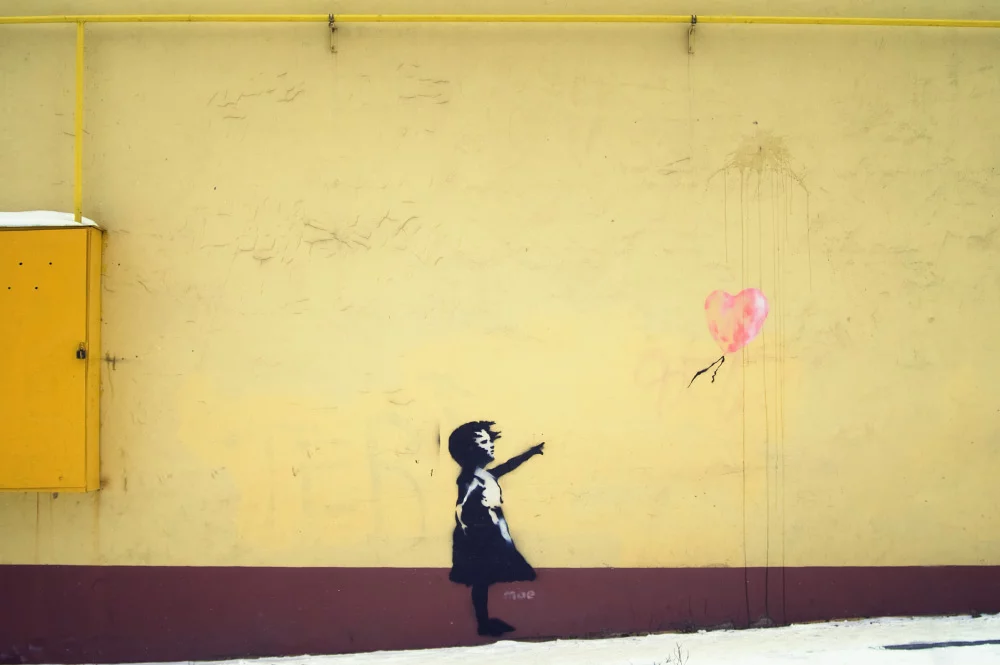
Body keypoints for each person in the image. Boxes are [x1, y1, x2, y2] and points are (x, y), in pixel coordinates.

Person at [448, 420, 545, 637]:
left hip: (492, 531)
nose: (490, 445)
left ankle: (484, 622)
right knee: (481, 579)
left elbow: (508, 466)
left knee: (484, 579)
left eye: (489, 441)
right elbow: (461, 506)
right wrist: (468, 529)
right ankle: (483, 623)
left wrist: (530, 453)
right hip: (480, 535)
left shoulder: (486, 475)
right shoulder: (469, 478)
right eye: (484, 442)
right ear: (470, 449)